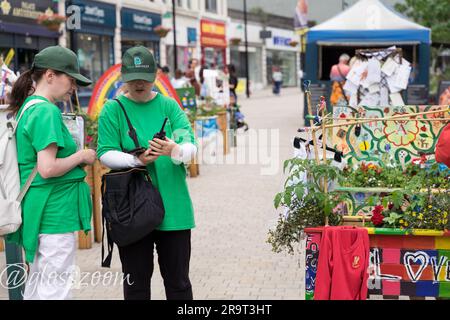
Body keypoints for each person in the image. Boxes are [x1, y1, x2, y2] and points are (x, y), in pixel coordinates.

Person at [97, 46, 198, 300]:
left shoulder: (169, 106)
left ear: (155, 76)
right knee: (136, 286)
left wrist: (173, 149)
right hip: (131, 210)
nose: (138, 83)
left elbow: (190, 148)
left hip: (173, 208)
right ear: (123, 77)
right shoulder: (113, 109)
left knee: (178, 284)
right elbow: (105, 152)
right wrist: (136, 159)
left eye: (144, 76)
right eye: (132, 77)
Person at [6, 45, 96, 300]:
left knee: (40, 287)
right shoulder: (46, 110)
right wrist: (82, 156)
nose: (74, 87)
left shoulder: (29, 107)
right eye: (70, 79)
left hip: (40, 209)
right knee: (55, 290)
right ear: (49, 75)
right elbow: (47, 168)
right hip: (54, 211)